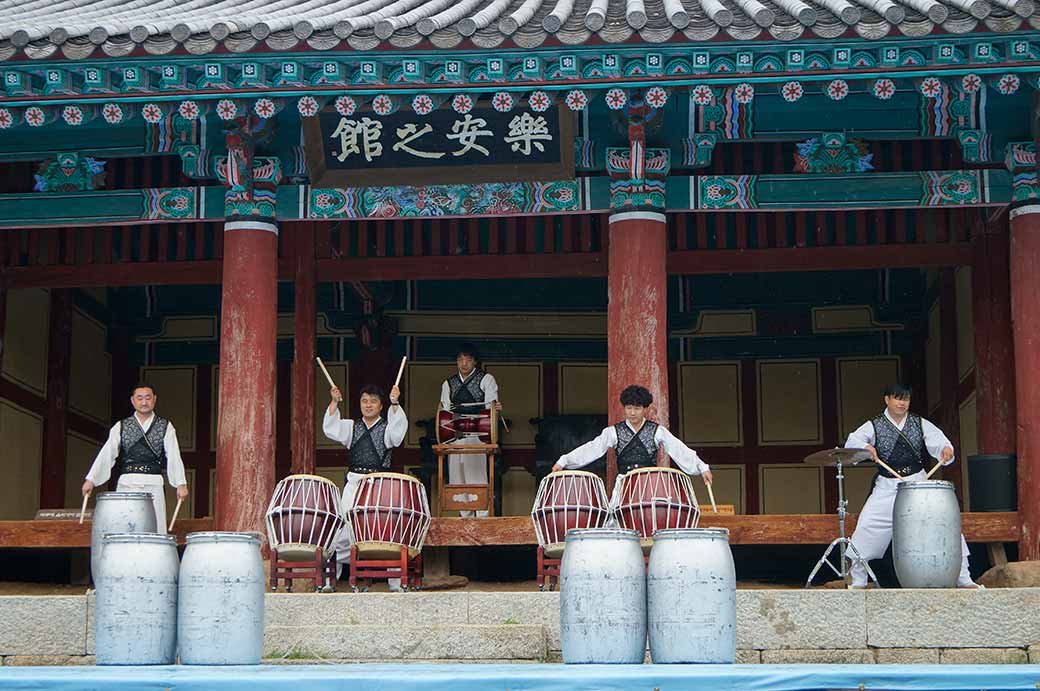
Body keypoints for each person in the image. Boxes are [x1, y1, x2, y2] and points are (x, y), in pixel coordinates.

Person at [844, 383, 982, 589]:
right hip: (887, 485)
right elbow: (851, 442)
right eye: (897, 398)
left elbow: (941, 442)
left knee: (944, 524)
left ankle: (963, 577)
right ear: (887, 400)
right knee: (867, 526)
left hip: (918, 484)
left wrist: (946, 450)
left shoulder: (920, 423)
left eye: (906, 399)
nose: (902, 403)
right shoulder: (874, 425)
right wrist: (866, 447)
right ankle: (859, 579)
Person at [551, 384, 712, 508]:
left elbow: (678, 448)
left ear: (645, 409)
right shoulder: (613, 432)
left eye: (637, 408)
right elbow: (592, 448)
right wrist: (564, 461)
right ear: (624, 408)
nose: (632, 413)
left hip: (650, 487)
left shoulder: (657, 431)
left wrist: (702, 467)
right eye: (629, 408)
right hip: (625, 486)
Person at [324, 383, 407, 589]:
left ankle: (394, 581)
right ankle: (330, 580)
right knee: (343, 529)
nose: (368, 405)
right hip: (354, 484)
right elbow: (330, 429)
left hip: (379, 485)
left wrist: (395, 403)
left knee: (383, 530)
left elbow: (397, 437)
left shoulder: (387, 428)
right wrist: (334, 402)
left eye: (373, 401)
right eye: (364, 401)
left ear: (381, 406)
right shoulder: (351, 427)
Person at [82, 384, 188, 534]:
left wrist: (180, 483)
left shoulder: (165, 426)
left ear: (154, 400)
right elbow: (107, 453)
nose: (144, 402)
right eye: (140, 398)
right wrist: (91, 479)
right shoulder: (122, 426)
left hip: (153, 483)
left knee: (155, 529)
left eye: (148, 398)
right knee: (125, 527)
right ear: (133, 401)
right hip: (127, 483)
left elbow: (173, 455)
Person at [440, 343, 502, 518]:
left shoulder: (486, 379)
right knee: (457, 477)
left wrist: (494, 409)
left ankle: (482, 516)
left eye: (468, 359)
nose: (464, 363)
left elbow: (490, 407)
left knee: (476, 476)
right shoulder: (448, 383)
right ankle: (464, 517)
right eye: (460, 359)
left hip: (478, 434)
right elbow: (445, 411)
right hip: (455, 433)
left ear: (475, 361)